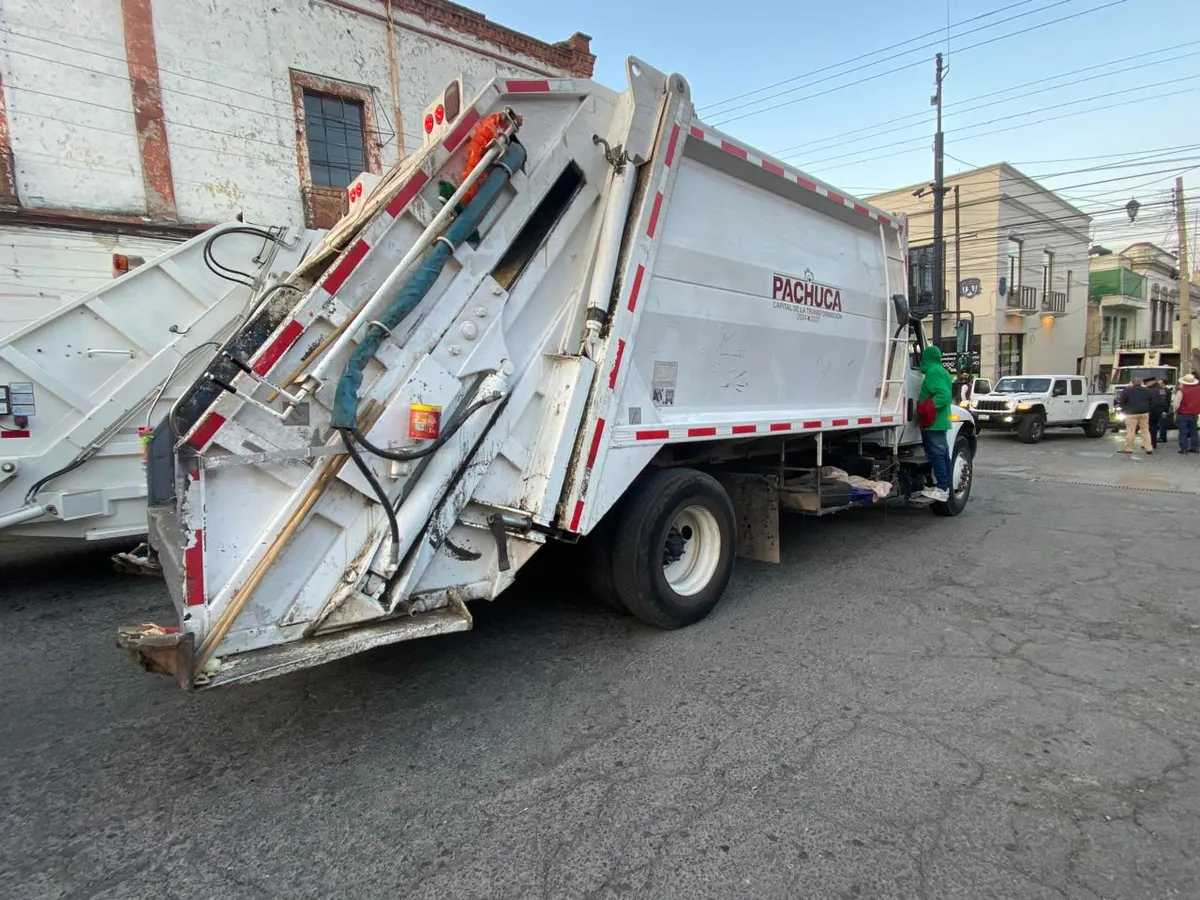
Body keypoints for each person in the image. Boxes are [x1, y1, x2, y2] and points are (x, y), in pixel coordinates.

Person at [917, 345, 954, 501]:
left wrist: (928, 407)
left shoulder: (933, 372)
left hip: (934, 422)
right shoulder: (943, 371)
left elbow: (943, 394)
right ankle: (946, 487)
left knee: (937, 455)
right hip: (940, 421)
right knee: (943, 456)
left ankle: (942, 488)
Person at [1119, 376, 1154, 454]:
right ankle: (1149, 448)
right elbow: (1151, 402)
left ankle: (1129, 448)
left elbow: (1121, 403)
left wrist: (1125, 410)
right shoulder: (1147, 390)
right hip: (1144, 413)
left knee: (1131, 431)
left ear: (1132, 382)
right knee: (1145, 430)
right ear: (1141, 382)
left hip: (1131, 413)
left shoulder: (1127, 390)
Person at [1173, 371, 1200, 454]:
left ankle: (1184, 448)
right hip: (1194, 413)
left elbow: (1176, 404)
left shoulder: (1181, 391)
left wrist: (1174, 411)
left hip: (1182, 414)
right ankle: (1195, 447)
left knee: (1183, 432)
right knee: (1194, 431)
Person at [1146, 376, 1170, 449]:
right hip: (1158, 410)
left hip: (1153, 411)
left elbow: (1165, 401)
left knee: (1153, 427)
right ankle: (1153, 443)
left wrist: (1165, 410)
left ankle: (1153, 442)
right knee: (1154, 427)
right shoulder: (1161, 390)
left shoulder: (1149, 390)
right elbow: (1164, 401)